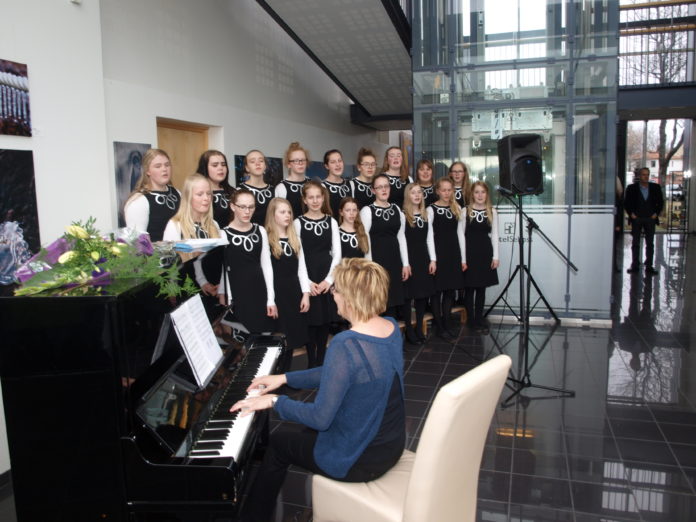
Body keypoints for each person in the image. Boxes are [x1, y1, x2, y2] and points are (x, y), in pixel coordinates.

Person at [232, 257, 405, 522]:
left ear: (350, 298)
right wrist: (284, 378)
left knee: (278, 445)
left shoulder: (345, 343)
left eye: (336, 290)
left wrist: (274, 402)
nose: (333, 295)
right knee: (304, 433)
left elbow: (321, 418)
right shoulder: (390, 328)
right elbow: (341, 373)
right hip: (389, 446)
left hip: (360, 460)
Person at [294, 180, 341, 367]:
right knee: (311, 321)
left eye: (318, 197)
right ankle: (311, 362)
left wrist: (329, 280)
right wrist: (307, 282)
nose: (315, 201)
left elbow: (337, 254)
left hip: (326, 276)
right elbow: (298, 255)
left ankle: (321, 361)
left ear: (323, 198)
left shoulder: (332, 222)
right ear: (304, 200)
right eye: (310, 197)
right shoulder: (298, 223)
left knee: (324, 322)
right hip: (307, 276)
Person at [218, 189, 277, 334]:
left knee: (264, 335)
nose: (247, 211)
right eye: (242, 207)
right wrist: (225, 295)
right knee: (241, 338)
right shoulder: (223, 234)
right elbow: (223, 269)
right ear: (233, 206)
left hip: (259, 290)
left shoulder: (260, 230)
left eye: (251, 207)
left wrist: (271, 299)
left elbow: (267, 265)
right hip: (238, 294)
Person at [360, 174, 410, 317]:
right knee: (379, 301)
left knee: (393, 300)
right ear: (373, 190)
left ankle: (391, 329)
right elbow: (365, 239)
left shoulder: (397, 209)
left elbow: (401, 237)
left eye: (386, 186)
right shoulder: (367, 211)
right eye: (379, 187)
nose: (384, 190)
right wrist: (369, 267)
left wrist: (405, 263)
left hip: (395, 261)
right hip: (377, 262)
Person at [265, 198, 310, 351]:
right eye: (282, 212)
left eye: (289, 212)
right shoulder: (267, 240)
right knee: (281, 340)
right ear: (273, 215)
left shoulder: (296, 239)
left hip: (294, 293)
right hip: (278, 293)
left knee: (294, 339)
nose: (287, 215)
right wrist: (270, 300)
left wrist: (305, 294)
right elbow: (266, 273)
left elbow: (302, 269)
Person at [427, 177, 466, 339]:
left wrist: (463, 259)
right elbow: (429, 236)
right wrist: (433, 259)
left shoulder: (457, 207)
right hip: (438, 254)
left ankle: (447, 323)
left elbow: (460, 234)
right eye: (443, 190)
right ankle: (439, 326)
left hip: (453, 253)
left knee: (450, 291)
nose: (447, 193)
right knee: (437, 292)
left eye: (449, 190)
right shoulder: (430, 210)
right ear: (438, 191)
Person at [462, 181, 499, 334]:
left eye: (483, 192)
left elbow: (495, 235)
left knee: (481, 289)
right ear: (472, 194)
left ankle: (479, 318)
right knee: (470, 288)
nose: (480, 195)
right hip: (469, 253)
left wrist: (495, 256)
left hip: (485, 253)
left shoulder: (492, 211)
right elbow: (461, 236)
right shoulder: (465, 211)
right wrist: (463, 259)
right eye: (477, 192)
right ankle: (471, 320)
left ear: (487, 194)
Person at [401, 183, 436, 344]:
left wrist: (433, 259)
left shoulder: (426, 214)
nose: (416, 195)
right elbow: (401, 240)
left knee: (422, 295)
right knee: (409, 296)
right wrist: (405, 263)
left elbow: (430, 238)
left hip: (423, 257)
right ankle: (409, 329)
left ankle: (419, 329)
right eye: (413, 192)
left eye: (419, 192)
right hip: (409, 258)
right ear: (407, 196)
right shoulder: (402, 215)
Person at [124, 148, 181, 241]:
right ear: (147, 171)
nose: (164, 169)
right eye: (158, 166)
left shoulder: (177, 193)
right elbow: (136, 241)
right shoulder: (139, 201)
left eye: (167, 165)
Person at [624, 167, 664, 275]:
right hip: (637, 219)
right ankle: (635, 265)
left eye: (647, 174)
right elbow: (626, 202)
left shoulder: (655, 187)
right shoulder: (632, 188)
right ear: (639, 176)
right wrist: (631, 214)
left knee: (650, 244)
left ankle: (649, 266)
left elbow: (660, 202)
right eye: (643, 174)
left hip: (650, 219)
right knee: (635, 243)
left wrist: (656, 214)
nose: (646, 177)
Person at [196, 149, 234, 228]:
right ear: (205, 168)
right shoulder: (197, 194)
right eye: (215, 165)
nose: (220, 168)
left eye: (223, 164)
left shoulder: (233, 192)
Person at [239, 149, 274, 226]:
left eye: (261, 161)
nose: (257, 164)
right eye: (252, 161)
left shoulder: (274, 191)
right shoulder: (239, 190)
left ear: (265, 166)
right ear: (247, 168)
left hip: (271, 232)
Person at [275, 141, 310, 217]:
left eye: (303, 160)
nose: (300, 163)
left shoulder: (313, 184)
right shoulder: (282, 188)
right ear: (288, 164)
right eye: (296, 160)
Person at [322, 149, 351, 217]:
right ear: (326, 166)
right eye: (333, 162)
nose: (338, 164)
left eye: (340, 161)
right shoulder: (322, 187)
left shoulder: (350, 184)